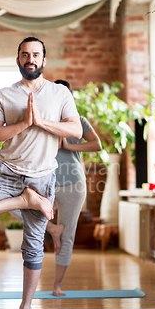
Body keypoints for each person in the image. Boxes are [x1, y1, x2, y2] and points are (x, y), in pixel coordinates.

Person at [0, 37, 82, 309]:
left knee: (33, 246)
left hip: (41, 180)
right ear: (18, 60)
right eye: (25, 54)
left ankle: (26, 307)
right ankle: (23, 200)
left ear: (44, 60)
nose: (30, 59)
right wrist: (24, 122)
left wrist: (40, 122)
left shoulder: (59, 94)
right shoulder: (5, 95)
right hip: (6, 174)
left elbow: (73, 129)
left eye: (36, 54)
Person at [46, 79, 102, 296]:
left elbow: (96, 144)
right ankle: (52, 229)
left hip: (73, 181)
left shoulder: (78, 121)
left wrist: (68, 145)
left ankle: (57, 285)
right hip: (45, 180)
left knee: (68, 233)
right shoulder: (44, 121)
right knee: (21, 209)